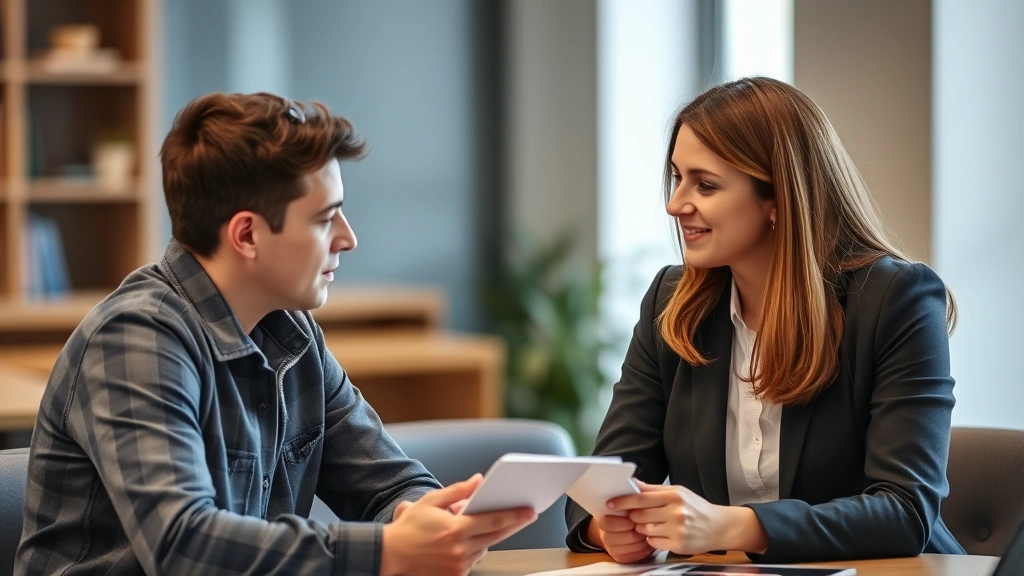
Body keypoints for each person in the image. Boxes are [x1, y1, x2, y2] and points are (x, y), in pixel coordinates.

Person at [16, 92, 535, 576]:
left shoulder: (292, 332)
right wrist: (387, 551)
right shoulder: (135, 337)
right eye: (325, 218)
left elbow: (390, 485)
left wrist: (435, 517)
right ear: (247, 235)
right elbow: (182, 546)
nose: (348, 239)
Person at [564, 77, 964, 563]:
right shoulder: (671, 302)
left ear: (777, 198)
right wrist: (605, 528)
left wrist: (731, 525)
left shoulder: (895, 300)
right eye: (677, 178)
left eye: (705, 185)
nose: (675, 204)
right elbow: (606, 478)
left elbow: (905, 512)